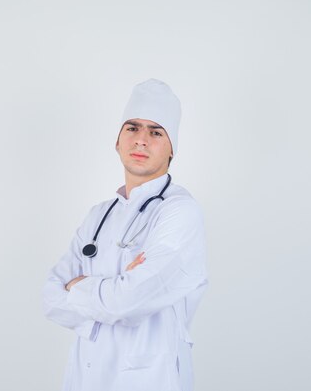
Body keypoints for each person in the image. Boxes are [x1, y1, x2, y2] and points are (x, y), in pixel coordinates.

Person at [43, 78, 208, 391]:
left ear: (172, 149)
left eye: (156, 132)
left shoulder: (180, 212)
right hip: (85, 377)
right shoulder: (98, 215)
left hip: (148, 378)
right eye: (132, 128)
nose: (141, 140)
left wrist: (79, 286)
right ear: (117, 141)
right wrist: (113, 291)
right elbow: (50, 298)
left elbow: (129, 301)